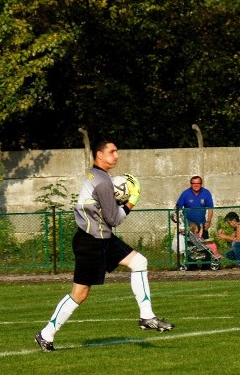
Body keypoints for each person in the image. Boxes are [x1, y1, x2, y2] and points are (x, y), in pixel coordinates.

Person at [34, 140, 174, 352]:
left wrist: (116, 200)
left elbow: (104, 212)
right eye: (112, 152)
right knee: (79, 294)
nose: (116, 155)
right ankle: (46, 334)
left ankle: (147, 316)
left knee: (139, 262)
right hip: (91, 242)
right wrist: (131, 200)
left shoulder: (96, 175)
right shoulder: (102, 182)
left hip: (102, 238)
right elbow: (114, 219)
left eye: (116, 151)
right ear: (99, 155)